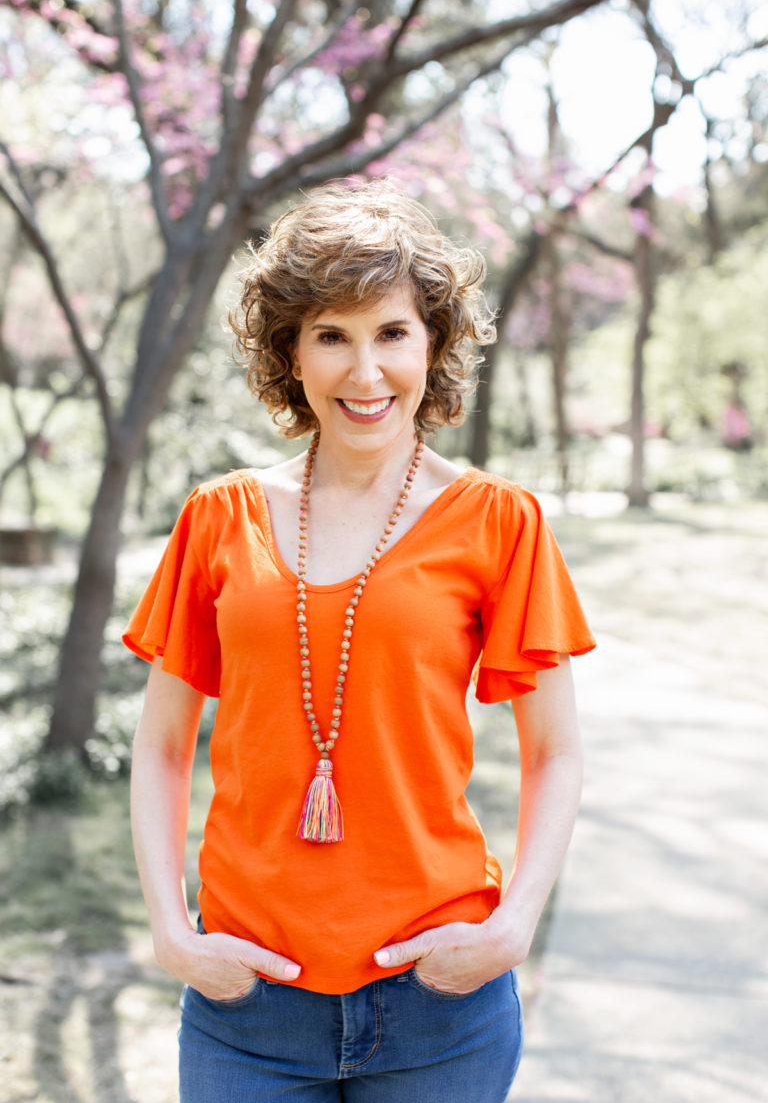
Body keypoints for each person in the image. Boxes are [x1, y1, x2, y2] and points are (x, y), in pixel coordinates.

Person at [124, 180, 595, 1102]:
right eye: (331, 336)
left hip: (440, 998)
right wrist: (172, 931)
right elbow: (162, 743)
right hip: (246, 1002)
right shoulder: (221, 518)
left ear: (433, 346)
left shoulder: (499, 523)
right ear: (290, 352)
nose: (365, 372)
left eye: (392, 333)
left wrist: (513, 927)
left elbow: (556, 751)